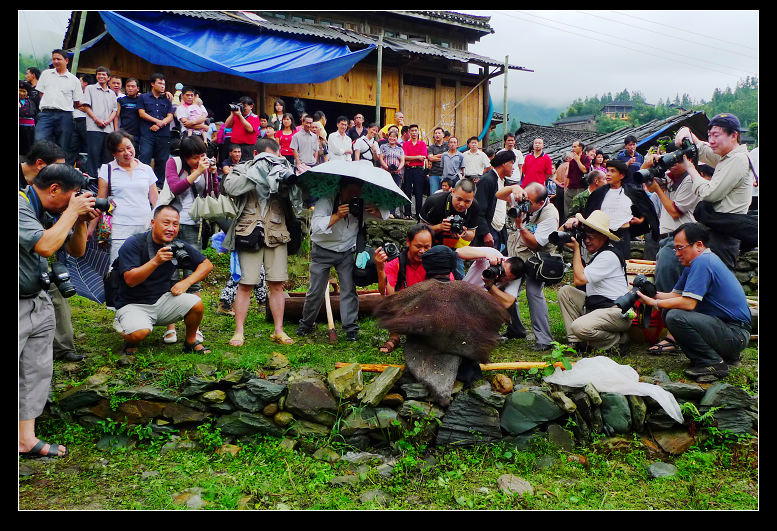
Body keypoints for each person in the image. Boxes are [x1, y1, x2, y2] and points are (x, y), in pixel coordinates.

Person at [19, 163, 99, 458]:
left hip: (37, 298)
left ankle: (25, 439)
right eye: (73, 196)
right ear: (54, 190)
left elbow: (76, 251)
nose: (76, 201)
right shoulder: (20, 205)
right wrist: (70, 213)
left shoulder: (51, 212)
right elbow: (45, 246)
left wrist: (78, 221)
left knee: (35, 371)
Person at [636, 223, 751, 380]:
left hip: (735, 334)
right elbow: (674, 296)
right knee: (670, 311)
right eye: (674, 249)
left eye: (680, 248)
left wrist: (654, 303)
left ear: (698, 245)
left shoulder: (703, 262)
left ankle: (713, 362)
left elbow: (688, 303)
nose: (676, 254)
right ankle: (724, 357)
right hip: (729, 332)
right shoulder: (694, 264)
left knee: (675, 315)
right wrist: (649, 293)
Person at [222, 137, 301, 347]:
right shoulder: (242, 169)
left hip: (276, 231)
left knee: (277, 283)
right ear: (256, 155)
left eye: (273, 158)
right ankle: (239, 331)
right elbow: (230, 187)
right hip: (248, 231)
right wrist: (258, 172)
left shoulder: (283, 168)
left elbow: (297, 198)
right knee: (246, 283)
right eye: (266, 158)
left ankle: (279, 330)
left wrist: (287, 174)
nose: (270, 162)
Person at [112, 204, 214, 355]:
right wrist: (155, 262)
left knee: (196, 304)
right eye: (166, 223)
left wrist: (186, 282)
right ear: (153, 223)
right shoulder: (134, 243)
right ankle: (127, 328)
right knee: (139, 333)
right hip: (132, 304)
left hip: (162, 300)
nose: (171, 228)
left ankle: (190, 342)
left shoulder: (176, 246)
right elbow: (130, 280)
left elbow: (206, 265)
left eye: (175, 224)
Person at [296, 177, 389, 341]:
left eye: (358, 192)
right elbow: (315, 228)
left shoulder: (362, 202)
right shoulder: (327, 200)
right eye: (351, 192)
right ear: (342, 188)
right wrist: (337, 215)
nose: (355, 195)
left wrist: (377, 211)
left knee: (348, 289)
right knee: (316, 291)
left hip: (346, 250)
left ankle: (350, 329)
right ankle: (306, 324)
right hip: (322, 251)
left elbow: (385, 215)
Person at [673, 113, 756, 270]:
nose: (711, 140)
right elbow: (704, 151)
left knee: (717, 282)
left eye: (716, 135)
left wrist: (691, 169)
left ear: (734, 135)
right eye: (709, 135)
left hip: (723, 236)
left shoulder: (737, 160)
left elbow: (710, 194)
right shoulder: (728, 157)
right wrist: (687, 132)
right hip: (717, 232)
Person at [161, 135, 217, 344]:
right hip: (171, 224)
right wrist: (197, 172)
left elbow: (212, 193)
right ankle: (170, 325)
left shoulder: (203, 166)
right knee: (171, 273)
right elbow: (175, 188)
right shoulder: (173, 163)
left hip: (194, 223)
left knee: (193, 275)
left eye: (201, 155)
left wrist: (212, 175)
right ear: (184, 156)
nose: (199, 160)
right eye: (194, 157)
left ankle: (195, 327)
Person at [557, 210, 632, 354]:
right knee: (565, 292)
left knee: (579, 327)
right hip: (596, 306)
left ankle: (617, 341)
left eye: (591, 237)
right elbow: (558, 237)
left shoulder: (608, 256)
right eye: (585, 236)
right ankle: (576, 342)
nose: (587, 241)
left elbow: (579, 280)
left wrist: (577, 250)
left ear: (603, 236)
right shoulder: (594, 249)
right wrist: (567, 226)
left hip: (617, 311)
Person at [88, 130, 159, 263]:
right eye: (121, 150)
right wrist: (91, 228)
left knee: (144, 265)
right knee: (118, 266)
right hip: (120, 227)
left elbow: (155, 201)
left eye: (129, 147)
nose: (127, 153)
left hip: (145, 226)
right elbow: (100, 201)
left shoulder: (146, 169)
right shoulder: (107, 169)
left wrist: (161, 223)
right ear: (114, 153)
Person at [501, 182, 559, 348]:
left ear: (541, 203)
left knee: (534, 294)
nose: (524, 204)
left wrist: (520, 226)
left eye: (529, 202)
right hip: (516, 256)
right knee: (507, 291)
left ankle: (544, 340)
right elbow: (499, 194)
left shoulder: (549, 215)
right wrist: (514, 188)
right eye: (524, 198)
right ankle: (516, 329)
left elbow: (535, 244)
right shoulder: (522, 199)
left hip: (536, 261)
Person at [373, 224, 441, 353]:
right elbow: (385, 292)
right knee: (390, 301)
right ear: (408, 242)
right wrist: (380, 269)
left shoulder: (436, 262)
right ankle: (395, 335)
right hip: (404, 309)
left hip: (428, 308)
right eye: (418, 246)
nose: (422, 251)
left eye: (427, 247)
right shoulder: (395, 264)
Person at [574, 159, 659, 262]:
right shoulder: (599, 193)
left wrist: (641, 220)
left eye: (613, 171)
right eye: (608, 171)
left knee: (621, 263)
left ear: (621, 175)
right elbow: (590, 212)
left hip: (623, 234)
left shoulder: (632, 191)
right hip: (604, 234)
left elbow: (647, 208)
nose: (608, 174)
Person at [459, 245, 526, 343]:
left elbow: (507, 303)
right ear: (504, 261)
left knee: (501, 303)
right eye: (501, 270)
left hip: (481, 302)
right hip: (462, 295)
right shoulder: (493, 254)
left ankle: (486, 331)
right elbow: (460, 251)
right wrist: (486, 254)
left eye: (505, 277)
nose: (500, 275)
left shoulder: (515, 276)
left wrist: (489, 285)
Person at [419, 177, 481, 279]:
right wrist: (439, 227)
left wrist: (464, 233)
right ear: (452, 191)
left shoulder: (474, 207)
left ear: (473, 198)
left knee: (461, 280)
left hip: (454, 248)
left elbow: (472, 234)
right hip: (430, 246)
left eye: (467, 201)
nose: (462, 204)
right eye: (459, 199)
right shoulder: (434, 201)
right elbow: (420, 231)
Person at [34, 49, 84, 151]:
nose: (56, 61)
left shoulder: (74, 80)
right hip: (46, 114)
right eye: (54, 59)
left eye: (59, 59)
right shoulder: (46, 74)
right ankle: (42, 165)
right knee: (39, 140)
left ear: (66, 60)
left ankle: (59, 167)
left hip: (65, 115)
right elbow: (41, 93)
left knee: (63, 144)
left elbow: (77, 101)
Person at [474, 150, 517, 250]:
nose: (513, 168)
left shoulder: (504, 182)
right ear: (504, 164)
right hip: (489, 229)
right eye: (512, 163)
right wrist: (485, 233)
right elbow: (479, 209)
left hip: (499, 228)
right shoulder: (487, 180)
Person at [137, 73, 174, 187]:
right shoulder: (143, 97)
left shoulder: (167, 99)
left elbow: (170, 115)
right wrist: (156, 121)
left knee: (162, 160)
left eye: (164, 84)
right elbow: (142, 113)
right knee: (144, 157)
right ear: (152, 84)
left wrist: (160, 124)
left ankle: (159, 186)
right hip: (147, 134)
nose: (162, 86)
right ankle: (142, 183)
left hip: (163, 134)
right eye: (160, 83)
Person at [81, 66, 119, 178]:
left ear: (108, 78)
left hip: (108, 129)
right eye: (99, 74)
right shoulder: (90, 89)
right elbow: (86, 107)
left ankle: (105, 179)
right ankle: (91, 178)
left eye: (104, 75)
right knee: (93, 154)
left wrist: (107, 121)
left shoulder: (112, 93)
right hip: (94, 127)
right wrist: (96, 119)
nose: (101, 76)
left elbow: (114, 110)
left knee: (107, 156)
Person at [65, 74, 92, 167]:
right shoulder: (75, 92)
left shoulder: (91, 93)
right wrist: (81, 105)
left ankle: (87, 170)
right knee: (72, 146)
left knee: (87, 146)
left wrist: (82, 106)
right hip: (73, 120)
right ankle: (68, 169)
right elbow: (69, 103)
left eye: (80, 81)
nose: (78, 83)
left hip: (85, 121)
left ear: (85, 83)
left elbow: (90, 107)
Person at [402, 124, 428, 220]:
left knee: (418, 192)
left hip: (418, 170)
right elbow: (404, 157)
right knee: (407, 191)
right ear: (409, 132)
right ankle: (407, 213)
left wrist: (411, 159)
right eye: (412, 130)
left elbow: (423, 157)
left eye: (415, 130)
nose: (413, 132)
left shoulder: (422, 144)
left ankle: (418, 214)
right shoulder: (405, 144)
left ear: (418, 132)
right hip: (408, 170)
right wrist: (417, 157)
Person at [225, 96, 261, 161]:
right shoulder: (236, 115)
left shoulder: (255, 117)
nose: (242, 108)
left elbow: (250, 129)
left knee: (246, 166)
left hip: (248, 147)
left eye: (244, 106)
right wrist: (232, 114)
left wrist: (240, 116)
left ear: (251, 106)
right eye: (241, 106)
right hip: (235, 146)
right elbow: (227, 125)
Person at [564, 140, 592, 221]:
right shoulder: (572, 161)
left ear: (581, 148)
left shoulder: (586, 158)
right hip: (571, 188)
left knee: (580, 210)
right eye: (572, 147)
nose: (573, 148)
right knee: (568, 210)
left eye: (575, 146)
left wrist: (577, 160)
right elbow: (569, 175)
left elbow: (585, 170)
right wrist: (566, 188)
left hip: (581, 188)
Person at [116, 78, 142, 148]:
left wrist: (165, 93)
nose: (130, 88)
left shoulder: (141, 99)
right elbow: (116, 116)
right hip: (124, 132)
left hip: (138, 134)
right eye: (128, 86)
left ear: (138, 88)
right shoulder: (121, 100)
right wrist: (116, 132)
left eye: (133, 86)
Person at [426, 127, 448, 194]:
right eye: (435, 133)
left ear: (443, 135)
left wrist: (434, 157)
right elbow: (430, 158)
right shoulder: (431, 147)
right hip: (434, 174)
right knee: (434, 194)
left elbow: (448, 157)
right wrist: (442, 157)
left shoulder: (448, 145)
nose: (437, 135)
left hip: (445, 174)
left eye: (439, 133)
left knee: (445, 195)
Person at [19, 81, 38, 156]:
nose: (22, 93)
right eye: (20, 91)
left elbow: (35, 116)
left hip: (29, 132)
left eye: (24, 91)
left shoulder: (31, 103)